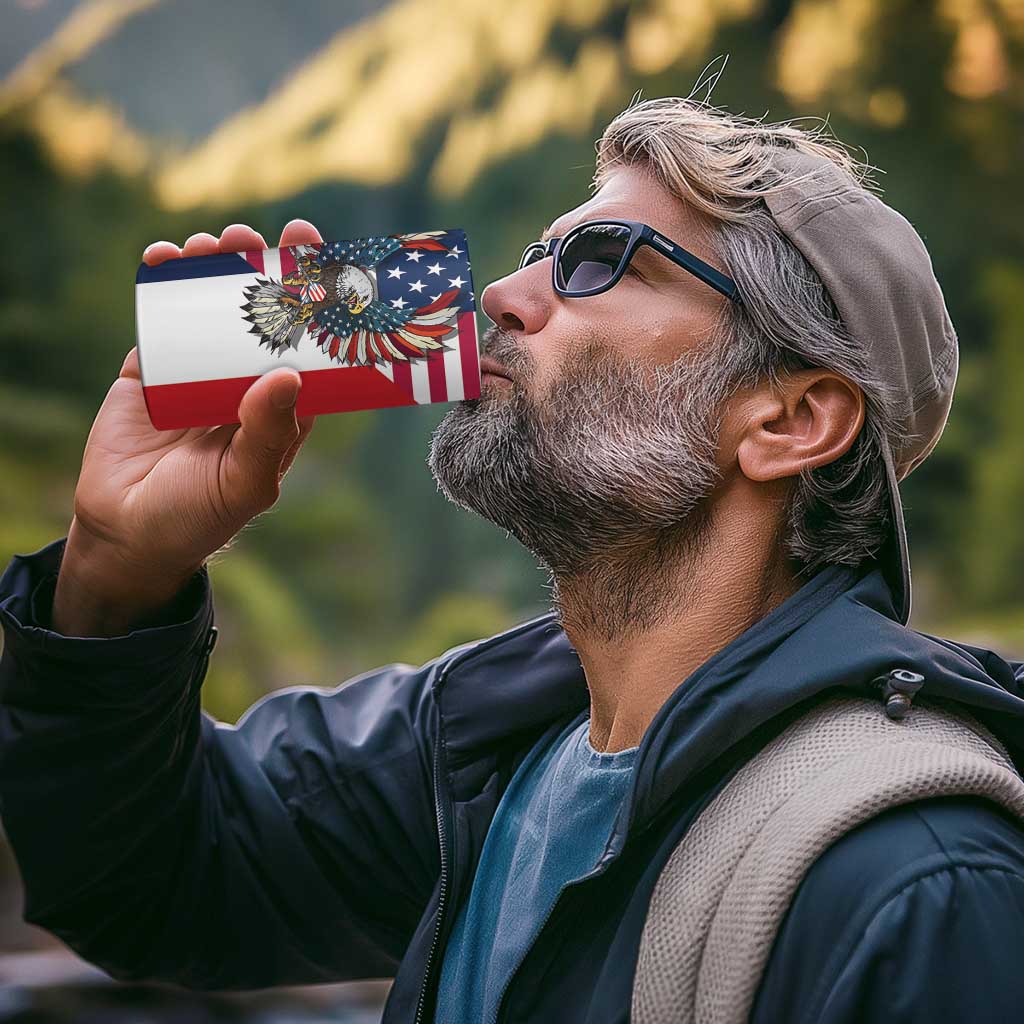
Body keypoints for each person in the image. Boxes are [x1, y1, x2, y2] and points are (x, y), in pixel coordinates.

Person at [2, 92, 1024, 1024]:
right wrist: (115, 571)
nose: (499, 293)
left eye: (599, 262)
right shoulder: (479, 750)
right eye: (538, 253)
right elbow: (148, 880)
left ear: (791, 419)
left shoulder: (918, 884)